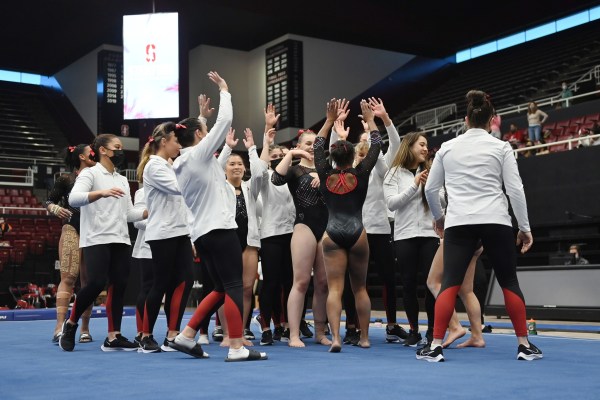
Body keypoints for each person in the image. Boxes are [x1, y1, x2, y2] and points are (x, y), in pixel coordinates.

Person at [418, 89, 542, 362]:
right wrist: (524, 228)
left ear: (465, 120)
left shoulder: (447, 148)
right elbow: (515, 190)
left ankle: (435, 346)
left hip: (459, 222)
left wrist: (440, 218)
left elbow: (430, 190)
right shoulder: (501, 147)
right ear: (491, 120)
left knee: (450, 281)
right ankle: (523, 344)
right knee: (509, 279)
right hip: (496, 220)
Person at [169, 71, 267, 361]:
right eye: (203, 129)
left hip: (202, 232)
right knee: (234, 285)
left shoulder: (187, 160)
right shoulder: (197, 156)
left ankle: (187, 336)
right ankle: (237, 346)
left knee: (222, 287)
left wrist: (201, 120)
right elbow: (224, 123)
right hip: (219, 229)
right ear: (199, 136)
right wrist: (225, 90)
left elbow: (213, 153)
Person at [59, 134, 147, 352]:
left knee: (119, 285)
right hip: (96, 238)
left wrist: (148, 212)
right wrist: (100, 193)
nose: (120, 151)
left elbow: (128, 214)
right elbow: (74, 199)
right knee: (96, 283)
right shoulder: (90, 173)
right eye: (116, 147)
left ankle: (113, 335)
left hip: (120, 239)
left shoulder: (123, 180)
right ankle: (70, 325)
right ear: (103, 150)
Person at [330, 98, 406, 343]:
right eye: (360, 143)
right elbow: (332, 156)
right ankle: (351, 326)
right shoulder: (347, 171)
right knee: (353, 281)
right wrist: (337, 133)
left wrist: (383, 121)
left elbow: (395, 145)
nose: (364, 146)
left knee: (387, 277)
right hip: (354, 230)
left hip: (380, 228)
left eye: (368, 142)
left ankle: (392, 325)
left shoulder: (381, 168)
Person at [314, 98, 382, 352]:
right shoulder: (361, 173)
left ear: (332, 157)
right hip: (357, 232)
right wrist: (372, 120)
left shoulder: (324, 173)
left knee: (335, 289)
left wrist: (330, 120)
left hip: (332, 233)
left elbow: (318, 147)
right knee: (360, 288)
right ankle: (364, 337)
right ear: (353, 155)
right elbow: (376, 145)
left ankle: (336, 338)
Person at [272, 126, 331, 348]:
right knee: (301, 281)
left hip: (326, 228)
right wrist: (291, 154)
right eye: (308, 143)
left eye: (316, 143)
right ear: (299, 146)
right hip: (304, 226)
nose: (312, 147)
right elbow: (276, 179)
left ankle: (319, 332)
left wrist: (322, 175)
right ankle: (294, 334)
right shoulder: (295, 171)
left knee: (323, 283)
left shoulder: (328, 169)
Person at [138, 122, 194, 353]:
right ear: (164, 142)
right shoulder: (154, 166)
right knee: (160, 284)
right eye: (176, 141)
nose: (179, 146)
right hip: (162, 233)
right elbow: (179, 188)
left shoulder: (170, 164)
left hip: (180, 231)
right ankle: (146, 334)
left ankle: (173, 334)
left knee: (185, 280)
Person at [383, 131, 438, 346]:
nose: (425, 148)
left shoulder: (432, 172)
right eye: (421, 144)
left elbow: (442, 201)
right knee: (408, 284)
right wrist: (415, 184)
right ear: (410, 146)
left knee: (431, 284)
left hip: (428, 234)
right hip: (405, 235)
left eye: (426, 145)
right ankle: (414, 330)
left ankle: (433, 330)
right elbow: (392, 204)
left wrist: (431, 188)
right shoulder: (393, 173)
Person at [218, 127, 267, 342]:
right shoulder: (219, 186)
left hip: (249, 242)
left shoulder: (250, 188)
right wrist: (227, 148)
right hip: (227, 242)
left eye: (239, 164)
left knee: (247, 289)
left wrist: (252, 149)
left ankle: (240, 331)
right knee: (228, 288)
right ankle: (228, 333)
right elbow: (215, 167)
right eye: (232, 163)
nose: (236, 167)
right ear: (226, 168)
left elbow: (259, 172)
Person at [47, 144, 95, 344]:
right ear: (82, 156)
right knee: (68, 277)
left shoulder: (98, 177)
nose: (95, 153)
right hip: (72, 228)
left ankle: (84, 327)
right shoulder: (66, 179)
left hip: (93, 231)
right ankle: (59, 326)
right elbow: (49, 201)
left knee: (88, 281)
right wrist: (55, 208)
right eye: (91, 151)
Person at [256, 105, 296, 346]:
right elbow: (261, 166)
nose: (279, 158)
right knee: (270, 282)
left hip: (293, 235)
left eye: (282, 155)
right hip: (271, 235)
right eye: (274, 157)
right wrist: (267, 135)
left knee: (290, 282)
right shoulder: (265, 179)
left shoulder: (296, 177)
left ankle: (287, 324)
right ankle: (265, 326)